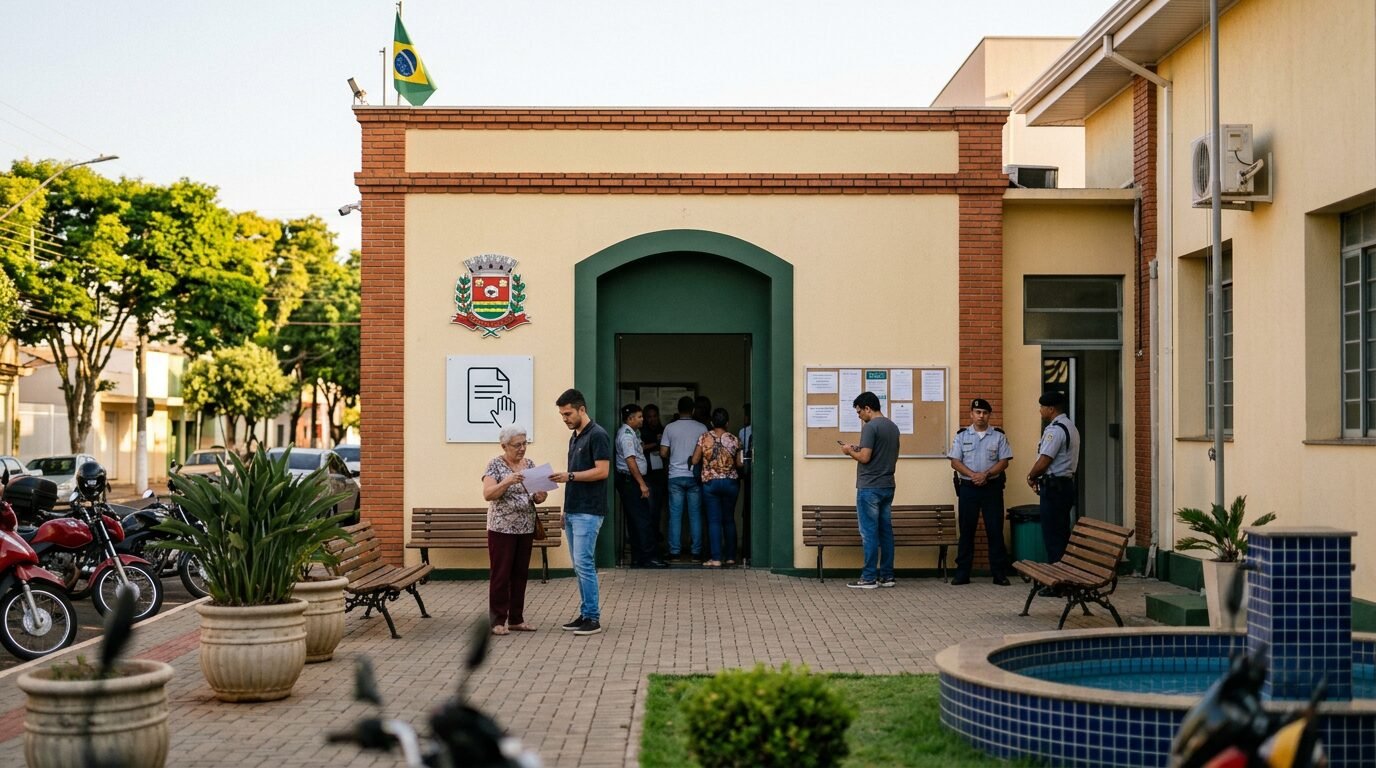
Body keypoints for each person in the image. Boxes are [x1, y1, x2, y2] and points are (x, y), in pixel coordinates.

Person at [550, 388, 611, 636]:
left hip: (589, 511)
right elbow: (572, 476)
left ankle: (593, 618)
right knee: (579, 565)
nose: (564, 419)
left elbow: (602, 471)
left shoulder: (598, 435)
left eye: (568, 414)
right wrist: (566, 511)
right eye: (562, 415)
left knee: (585, 564)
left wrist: (570, 476)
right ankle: (585, 613)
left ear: (581, 409)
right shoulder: (575, 437)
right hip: (574, 510)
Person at [481, 425, 548, 635]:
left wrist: (540, 496)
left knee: (520, 574)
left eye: (524, 443)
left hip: (525, 527)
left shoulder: (530, 465)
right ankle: (497, 620)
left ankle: (516, 619)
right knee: (501, 574)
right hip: (501, 528)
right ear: (504, 446)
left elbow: (537, 495)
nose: (522, 448)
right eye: (517, 445)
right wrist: (507, 481)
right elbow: (488, 494)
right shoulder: (495, 465)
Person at [947, 398, 1013, 586]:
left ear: (989, 415)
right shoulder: (962, 436)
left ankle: (999, 574)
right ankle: (962, 573)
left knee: (995, 530)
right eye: (977, 412)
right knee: (967, 530)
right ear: (971, 414)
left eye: (984, 413)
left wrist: (986, 474)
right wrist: (973, 475)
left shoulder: (998, 436)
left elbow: (1004, 461)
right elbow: (955, 461)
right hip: (968, 488)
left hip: (992, 488)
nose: (981, 416)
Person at [839, 391, 899, 589]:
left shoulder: (870, 427)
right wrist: (858, 448)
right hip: (888, 484)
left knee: (869, 533)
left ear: (867, 408)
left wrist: (849, 451)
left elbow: (865, 458)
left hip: (870, 487)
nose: (859, 416)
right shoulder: (892, 426)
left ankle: (869, 577)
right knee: (886, 532)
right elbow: (880, 453)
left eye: (859, 412)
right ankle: (887, 576)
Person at [1026, 391, 1081, 564]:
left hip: (1054, 488)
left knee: (1053, 536)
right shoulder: (1070, 426)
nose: (1040, 410)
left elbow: (1045, 460)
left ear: (1051, 409)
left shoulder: (1055, 430)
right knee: (1061, 532)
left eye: (1042, 407)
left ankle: (1057, 574)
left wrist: (1031, 476)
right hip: (1064, 486)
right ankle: (1063, 570)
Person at [616, 403, 667, 568]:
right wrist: (642, 484)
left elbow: (639, 449)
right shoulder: (626, 435)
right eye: (639, 416)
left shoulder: (633, 433)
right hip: (631, 482)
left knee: (636, 520)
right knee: (643, 520)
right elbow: (630, 461)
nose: (642, 419)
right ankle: (649, 557)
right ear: (630, 418)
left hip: (631, 481)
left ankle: (638, 558)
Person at [692, 407, 743, 567]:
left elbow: (694, 460)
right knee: (729, 520)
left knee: (714, 521)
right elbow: (740, 463)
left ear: (712, 422)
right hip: (730, 483)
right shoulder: (735, 439)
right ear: (727, 423)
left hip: (710, 483)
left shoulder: (704, 437)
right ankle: (730, 557)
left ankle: (716, 559)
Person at [660, 395, 707, 561]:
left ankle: (674, 552)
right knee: (695, 515)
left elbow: (663, 452)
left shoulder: (670, 428)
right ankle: (696, 552)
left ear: (678, 410)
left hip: (675, 476)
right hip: (694, 476)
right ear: (693, 410)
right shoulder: (702, 428)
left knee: (675, 516)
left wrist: (673, 454)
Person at [640, 403, 668, 546]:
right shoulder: (641, 432)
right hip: (647, 476)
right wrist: (655, 443)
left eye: (655, 416)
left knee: (659, 510)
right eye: (649, 417)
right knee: (650, 510)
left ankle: (656, 539)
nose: (652, 419)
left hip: (661, 475)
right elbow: (639, 448)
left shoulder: (664, 430)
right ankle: (649, 542)